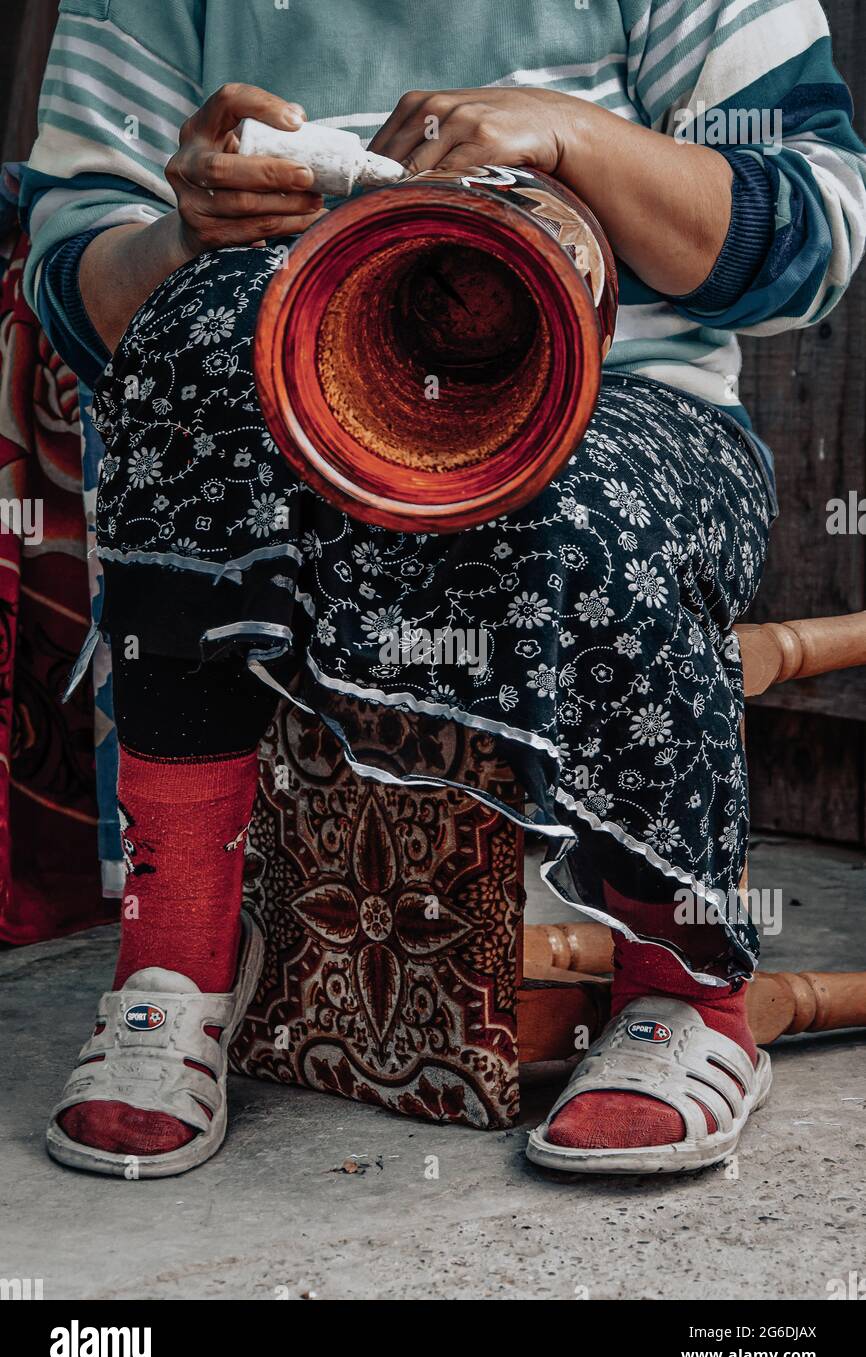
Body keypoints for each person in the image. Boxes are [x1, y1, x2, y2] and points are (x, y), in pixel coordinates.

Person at [21, 0, 866, 1178]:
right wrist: (177, 235)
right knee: (186, 337)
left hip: (617, 411)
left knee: (586, 510)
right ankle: (174, 963)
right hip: (294, 421)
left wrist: (572, 137)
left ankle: (683, 988)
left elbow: (813, 234)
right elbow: (69, 285)